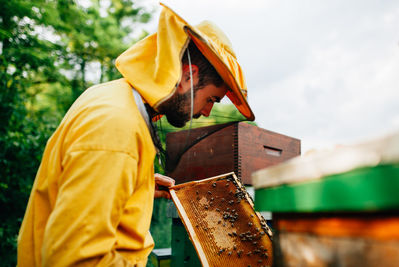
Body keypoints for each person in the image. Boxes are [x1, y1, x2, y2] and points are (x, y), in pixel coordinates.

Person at [17, 4, 254, 267]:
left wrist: (133, 184)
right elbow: (74, 259)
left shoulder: (111, 98)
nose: (207, 112)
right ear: (189, 76)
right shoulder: (116, 128)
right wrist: (119, 161)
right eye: (211, 99)